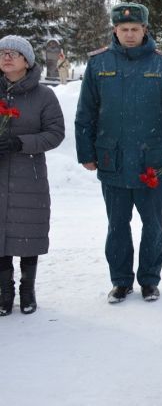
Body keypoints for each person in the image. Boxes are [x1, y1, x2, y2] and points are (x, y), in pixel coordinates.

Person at [75, 2, 162, 304]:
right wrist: (86, 152)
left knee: (153, 225)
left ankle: (150, 280)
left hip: (152, 161)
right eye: (123, 29)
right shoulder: (98, 64)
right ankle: (121, 281)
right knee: (116, 225)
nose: (129, 34)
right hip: (111, 160)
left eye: (134, 29)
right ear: (115, 30)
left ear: (144, 30)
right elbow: (86, 112)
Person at [0, 35, 65, 316]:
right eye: (2, 52)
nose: (6, 57)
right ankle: (4, 292)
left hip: (30, 175)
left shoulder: (44, 96)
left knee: (28, 233)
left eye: (14, 53)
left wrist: (20, 143)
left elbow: (55, 134)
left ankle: (28, 289)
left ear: (27, 61)